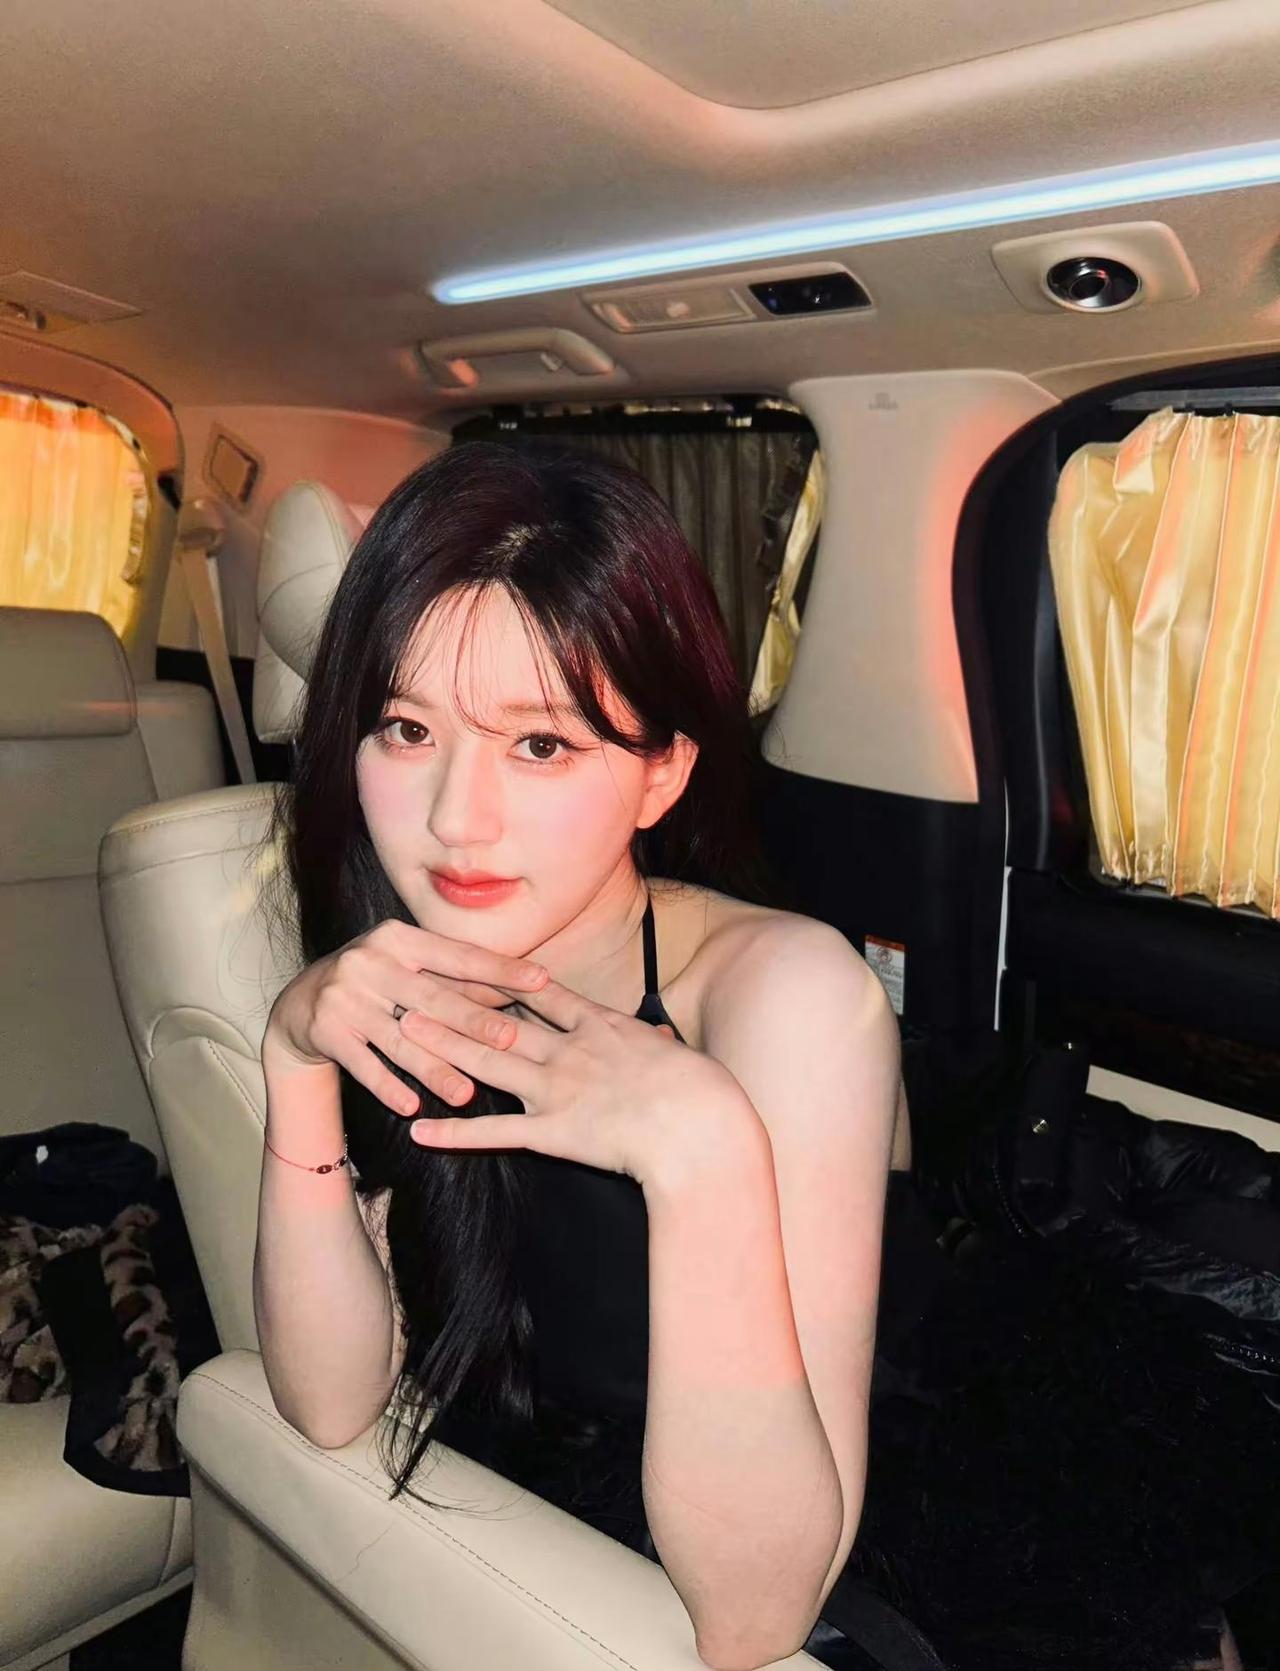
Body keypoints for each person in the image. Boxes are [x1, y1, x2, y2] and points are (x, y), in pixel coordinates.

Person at [252, 442, 1246, 1671]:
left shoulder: (783, 996)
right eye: (407, 729)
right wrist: (292, 1059)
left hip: (841, 1497)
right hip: (542, 1511)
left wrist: (701, 1154)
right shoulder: (393, 968)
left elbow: (752, 1620)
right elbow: (328, 1404)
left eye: (541, 746)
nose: (456, 819)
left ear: (660, 773)